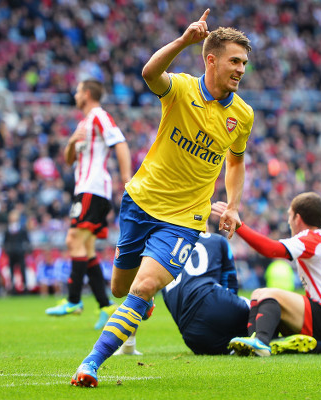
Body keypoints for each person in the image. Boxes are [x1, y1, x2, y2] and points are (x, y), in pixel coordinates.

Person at [71, 9, 254, 388]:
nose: (241, 69)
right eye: (234, 61)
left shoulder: (242, 115)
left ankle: (91, 363)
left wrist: (233, 206)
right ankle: (142, 303)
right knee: (121, 288)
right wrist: (183, 41)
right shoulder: (183, 89)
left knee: (141, 286)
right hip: (141, 201)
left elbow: (235, 163)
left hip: (185, 219)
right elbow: (149, 74)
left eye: (244, 63)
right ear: (211, 59)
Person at [213, 193, 321, 357]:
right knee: (258, 293)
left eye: (289, 216)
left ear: (297, 218)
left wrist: (239, 226)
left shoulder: (312, 238)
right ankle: (255, 344)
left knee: (270, 294)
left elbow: (270, 249)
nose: (289, 222)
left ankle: (261, 343)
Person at [45, 79, 132, 330]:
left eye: (77, 90)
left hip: (93, 188)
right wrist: (72, 141)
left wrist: (126, 179)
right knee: (88, 248)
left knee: (73, 240)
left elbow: (121, 143)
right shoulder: (84, 123)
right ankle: (105, 306)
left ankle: (73, 300)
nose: (74, 94)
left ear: (86, 93)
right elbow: (69, 159)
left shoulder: (99, 116)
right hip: (84, 188)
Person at [161, 231, 249, 355]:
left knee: (229, 347)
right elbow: (230, 283)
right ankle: (265, 338)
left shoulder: (162, 251)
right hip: (213, 302)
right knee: (264, 303)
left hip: (191, 336)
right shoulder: (216, 240)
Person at [3, 208, 31, 294]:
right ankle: (12, 288)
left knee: (22, 270)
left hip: (20, 252)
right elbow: (5, 242)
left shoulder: (21, 229)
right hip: (11, 252)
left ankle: (25, 287)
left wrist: (24, 249)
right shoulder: (7, 230)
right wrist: (7, 250)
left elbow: (27, 240)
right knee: (11, 270)